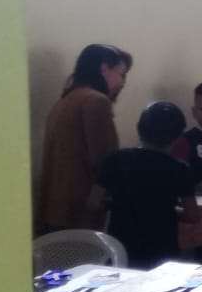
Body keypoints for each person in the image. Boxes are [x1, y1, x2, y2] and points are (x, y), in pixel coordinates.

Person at [37, 43, 132, 232]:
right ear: (104, 69)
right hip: (81, 210)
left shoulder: (64, 101)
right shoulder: (96, 101)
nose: (122, 83)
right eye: (121, 74)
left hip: (54, 207)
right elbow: (105, 160)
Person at [96, 102, 198, 270]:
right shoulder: (180, 168)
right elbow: (193, 215)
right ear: (178, 136)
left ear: (139, 127)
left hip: (121, 250)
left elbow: (93, 202)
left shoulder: (115, 159)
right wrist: (171, 209)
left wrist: (119, 203)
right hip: (163, 252)